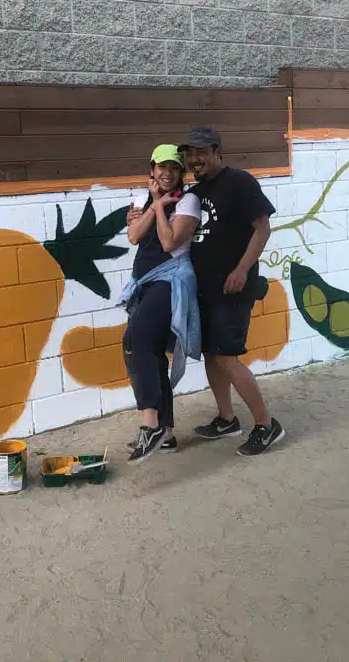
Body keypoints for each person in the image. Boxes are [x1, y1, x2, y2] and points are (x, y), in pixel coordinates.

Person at [177, 126, 285, 457]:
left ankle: (267, 424)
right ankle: (226, 418)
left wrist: (241, 270)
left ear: (217, 151)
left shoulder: (240, 182)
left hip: (232, 288)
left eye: (202, 152)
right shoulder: (196, 191)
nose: (196, 159)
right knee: (212, 354)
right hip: (205, 289)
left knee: (227, 356)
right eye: (191, 154)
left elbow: (262, 227)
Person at [121, 145, 201, 464]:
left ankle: (150, 424)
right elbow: (133, 236)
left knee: (138, 339)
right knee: (147, 351)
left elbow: (169, 242)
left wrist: (156, 204)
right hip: (147, 282)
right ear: (151, 170)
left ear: (181, 172)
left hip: (172, 279)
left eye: (173, 167)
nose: (166, 172)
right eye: (160, 166)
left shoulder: (189, 201)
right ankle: (166, 433)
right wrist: (155, 205)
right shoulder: (143, 200)